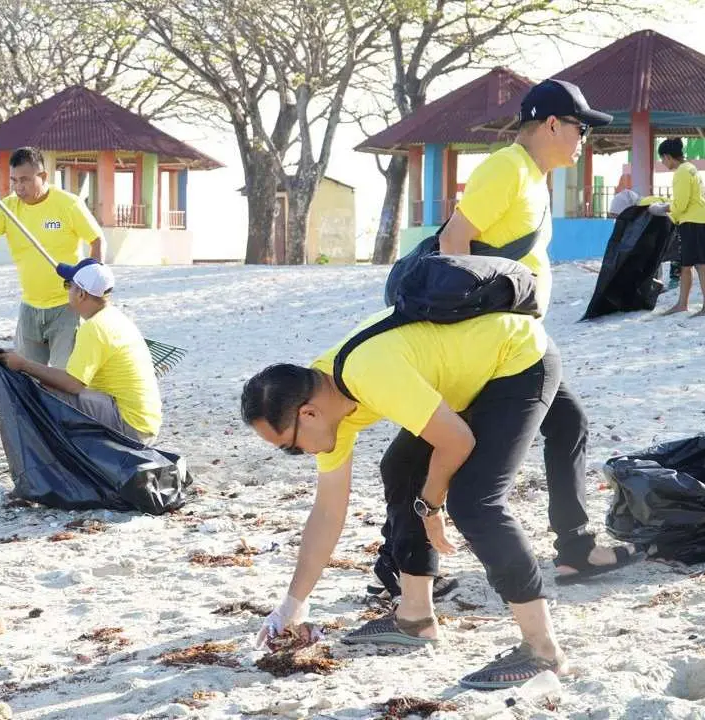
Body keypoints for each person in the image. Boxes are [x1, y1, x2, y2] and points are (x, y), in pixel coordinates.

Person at [366, 78, 635, 600]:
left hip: (515, 340)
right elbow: (452, 243)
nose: (584, 140)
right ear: (552, 124)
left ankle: (575, 549)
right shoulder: (506, 169)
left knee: (566, 423)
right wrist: (482, 321)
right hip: (489, 343)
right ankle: (401, 561)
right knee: (419, 451)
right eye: (580, 128)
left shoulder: (533, 176)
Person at [244, 309, 566, 688]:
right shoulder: (325, 399)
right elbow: (328, 513)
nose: (298, 454)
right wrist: (292, 605)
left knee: (475, 503)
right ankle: (414, 617)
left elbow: (458, 441)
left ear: (308, 414)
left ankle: (543, 651)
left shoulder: (369, 376)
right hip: (463, 375)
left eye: (290, 447)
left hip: (515, 360)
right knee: (401, 469)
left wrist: (431, 504)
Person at [0, 147, 104, 368]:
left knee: (65, 378)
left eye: (25, 180)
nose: (18, 187)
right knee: (26, 380)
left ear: (42, 176)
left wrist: (94, 280)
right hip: (30, 310)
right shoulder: (9, 207)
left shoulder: (68, 204)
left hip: (67, 307)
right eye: (14, 180)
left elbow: (97, 240)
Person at [0, 259, 161, 444]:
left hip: (131, 426)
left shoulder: (94, 328)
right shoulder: (114, 317)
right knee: (49, 386)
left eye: (69, 285)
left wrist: (24, 365)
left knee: (41, 392)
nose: (67, 291)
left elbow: (72, 384)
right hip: (144, 423)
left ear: (81, 294)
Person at [652, 138, 705, 316]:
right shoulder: (691, 168)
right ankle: (682, 303)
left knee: (700, 264)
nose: (663, 163)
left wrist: (663, 209)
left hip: (693, 221)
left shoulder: (681, 172)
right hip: (697, 219)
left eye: (663, 159)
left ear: (668, 156)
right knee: (686, 265)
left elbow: (680, 204)